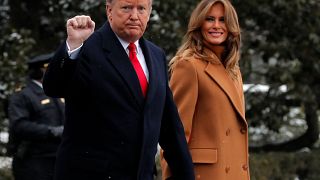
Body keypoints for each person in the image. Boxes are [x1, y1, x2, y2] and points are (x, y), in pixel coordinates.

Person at [42, 0, 194, 179]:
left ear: (149, 12)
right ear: (109, 11)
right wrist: (73, 45)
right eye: (127, 7)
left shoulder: (156, 55)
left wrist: (185, 174)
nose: (135, 16)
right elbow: (54, 87)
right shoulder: (87, 46)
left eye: (141, 9)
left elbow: (169, 125)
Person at [161, 0, 250, 179]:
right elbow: (174, 134)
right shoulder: (188, 66)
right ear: (199, 23)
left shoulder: (234, 70)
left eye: (223, 20)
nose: (216, 26)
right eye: (210, 19)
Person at [7, 53, 65, 180]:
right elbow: (19, 125)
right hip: (33, 160)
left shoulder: (56, 92)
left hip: (59, 158)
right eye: (51, 69)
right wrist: (51, 131)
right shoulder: (23, 95)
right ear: (40, 71)